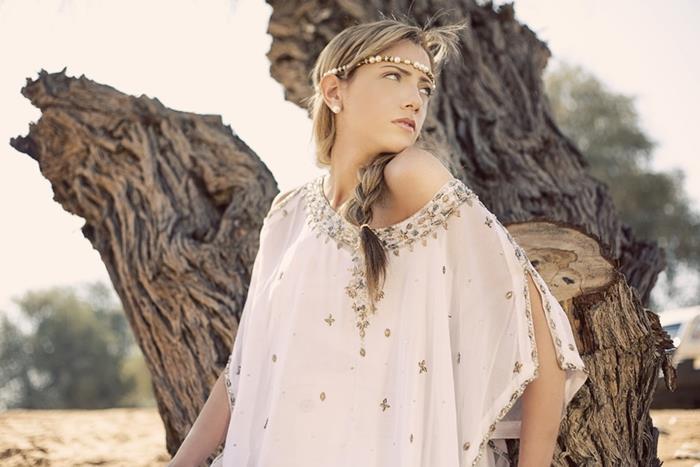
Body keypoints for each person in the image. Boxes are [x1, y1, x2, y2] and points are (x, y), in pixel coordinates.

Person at [169, 15, 589, 467]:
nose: (415, 99)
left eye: (424, 86)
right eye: (394, 75)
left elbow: (537, 334)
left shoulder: (414, 178)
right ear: (334, 92)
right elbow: (244, 371)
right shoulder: (286, 216)